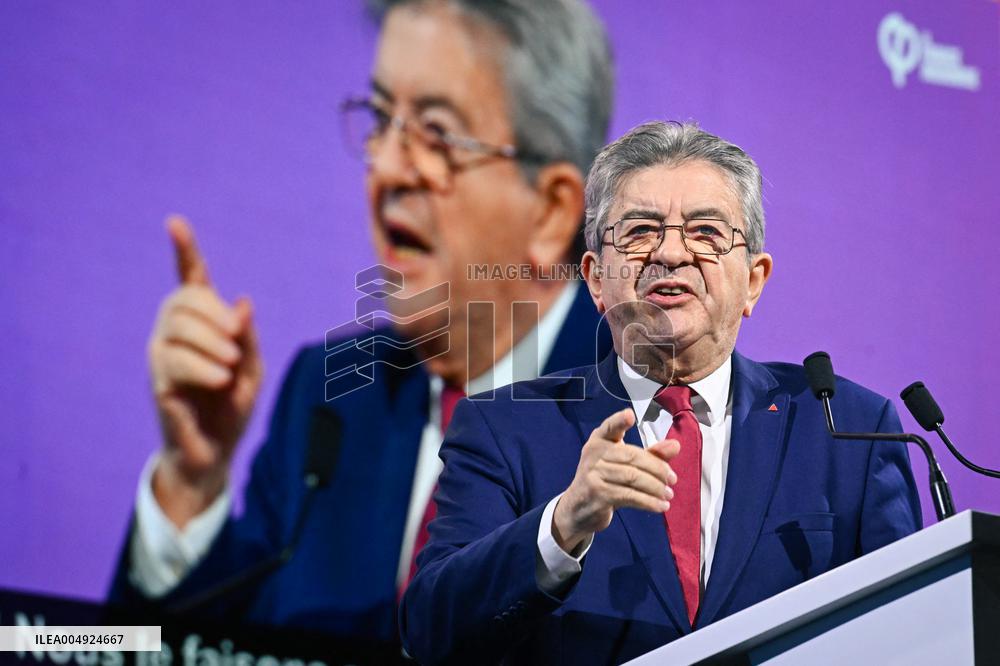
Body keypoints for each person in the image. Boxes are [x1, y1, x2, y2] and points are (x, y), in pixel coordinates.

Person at [109, 0, 615, 643]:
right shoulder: (330, 398)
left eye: (435, 133)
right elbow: (204, 652)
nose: (387, 169)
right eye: (380, 120)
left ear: (550, 211)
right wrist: (191, 480)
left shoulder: (654, 423)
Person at [400, 121, 922, 664]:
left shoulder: (848, 428)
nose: (671, 254)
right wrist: (562, 525)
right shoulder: (506, 427)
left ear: (753, 281)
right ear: (596, 278)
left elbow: (912, 629)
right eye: (641, 231)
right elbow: (430, 630)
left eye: (706, 233)